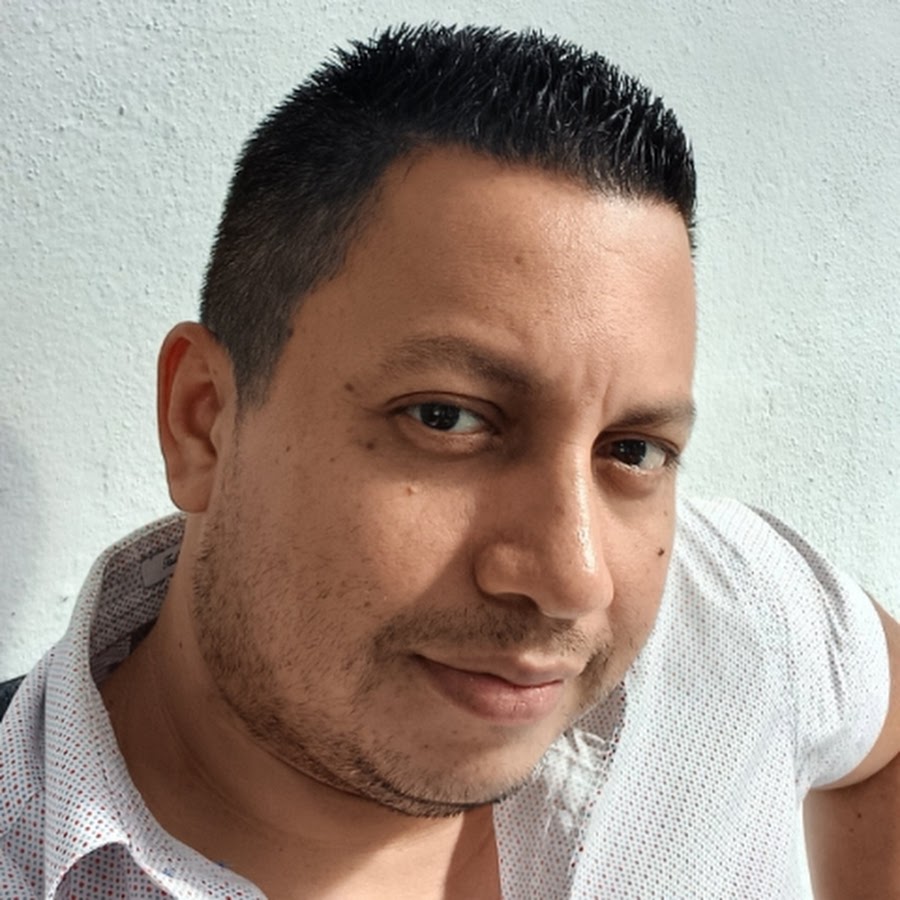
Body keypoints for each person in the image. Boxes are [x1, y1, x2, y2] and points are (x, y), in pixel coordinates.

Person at [0, 22, 896, 900]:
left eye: (633, 450)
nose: (572, 579)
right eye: (448, 418)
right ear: (203, 421)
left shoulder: (734, 613)